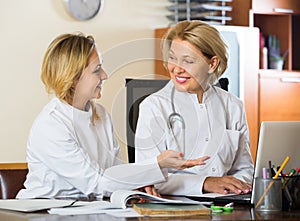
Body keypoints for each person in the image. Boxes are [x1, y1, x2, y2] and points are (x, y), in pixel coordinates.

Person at [16, 32, 210, 200]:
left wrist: (140, 181)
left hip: (88, 208)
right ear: (73, 79)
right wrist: (157, 164)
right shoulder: (52, 125)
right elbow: (96, 183)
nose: (105, 76)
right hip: (46, 211)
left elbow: (114, 171)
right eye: (96, 70)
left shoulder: (100, 114)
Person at [135, 20, 254, 196]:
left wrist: (237, 186)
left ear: (212, 64)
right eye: (172, 58)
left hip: (226, 205)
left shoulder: (233, 106)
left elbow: (245, 170)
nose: (176, 69)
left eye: (188, 61)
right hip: (175, 207)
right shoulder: (154, 106)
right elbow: (147, 177)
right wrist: (205, 183)